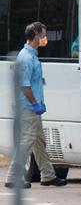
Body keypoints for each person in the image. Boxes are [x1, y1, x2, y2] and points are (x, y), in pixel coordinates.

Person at [5, 22, 67, 189]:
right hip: (28, 107)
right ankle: (13, 176)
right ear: (36, 36)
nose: (45, 38)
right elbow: (24, 85)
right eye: (44, 35)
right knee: (27, 141)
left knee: (39, 141)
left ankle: (48, 175)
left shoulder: (31, 56)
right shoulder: (26, 57)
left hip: (33, 106)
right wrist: (34, 103)